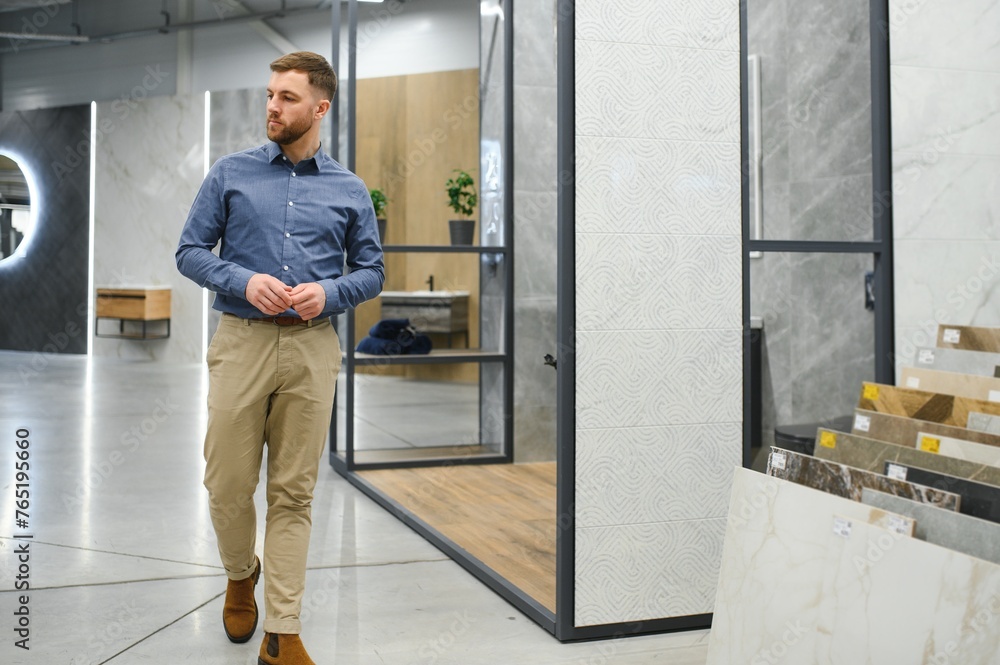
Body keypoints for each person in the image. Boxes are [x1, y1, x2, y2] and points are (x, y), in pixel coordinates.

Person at [176, 51, 383, 665]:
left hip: (313, 347)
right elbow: (190, 251)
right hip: (241, 341)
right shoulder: (230, 173)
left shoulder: (350, 188)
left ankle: (283, 631)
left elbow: (371, 271)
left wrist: (332, 292)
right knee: (227, 484)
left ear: (320, 108)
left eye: (288, 98)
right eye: (270, 94)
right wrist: (241, 280)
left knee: (293, 493)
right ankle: (241, 573)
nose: (272, 106)